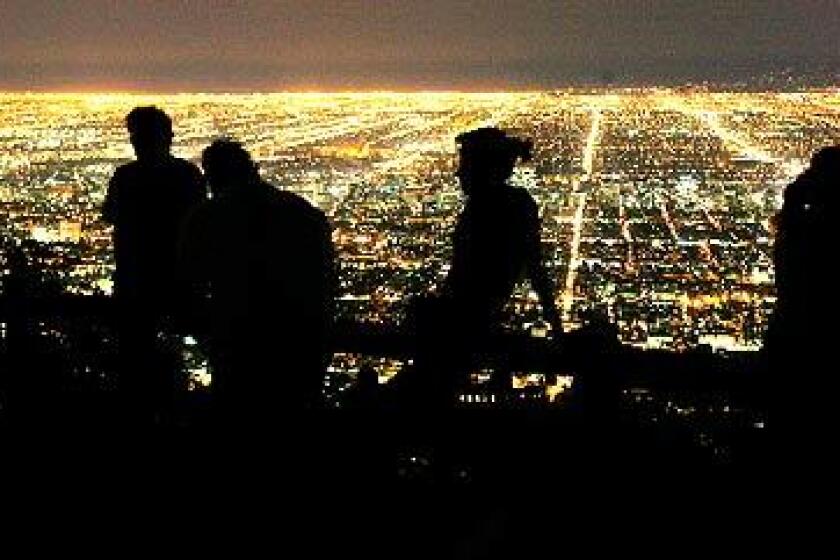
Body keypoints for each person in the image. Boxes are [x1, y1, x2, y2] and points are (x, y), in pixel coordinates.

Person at [402, 127, 562, 407]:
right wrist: (556, 326)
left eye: (465, 165)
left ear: (484, 168)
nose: (458, 173)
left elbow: (474, 277)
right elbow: (535, 270)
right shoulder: (512, 205)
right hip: (468, 320)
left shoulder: (496, 209)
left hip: (463, 323)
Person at [179, 139, 336, 421]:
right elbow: (326, 280)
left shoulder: (207, 218)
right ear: (253, 168)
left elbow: (190, 283)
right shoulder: (302, 212)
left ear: (211, 178)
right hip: (302, 343)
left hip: (239, 346)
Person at [102, 106, 206, 417]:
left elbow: (111, 215)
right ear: (169, 137)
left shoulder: (126, 177)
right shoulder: (187, 175)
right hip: (178, 284)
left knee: (133, 366)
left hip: (136, 284)